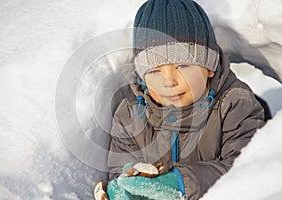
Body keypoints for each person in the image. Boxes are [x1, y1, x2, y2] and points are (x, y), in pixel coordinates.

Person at [94, 0, 265, 199]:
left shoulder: (235, 105)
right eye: (155, 70)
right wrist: (127, 188)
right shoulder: (130, 116)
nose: (169, 81)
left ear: (209, 67)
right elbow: (120, 171)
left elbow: (247, 170)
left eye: (182, 66)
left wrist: (180, 182)